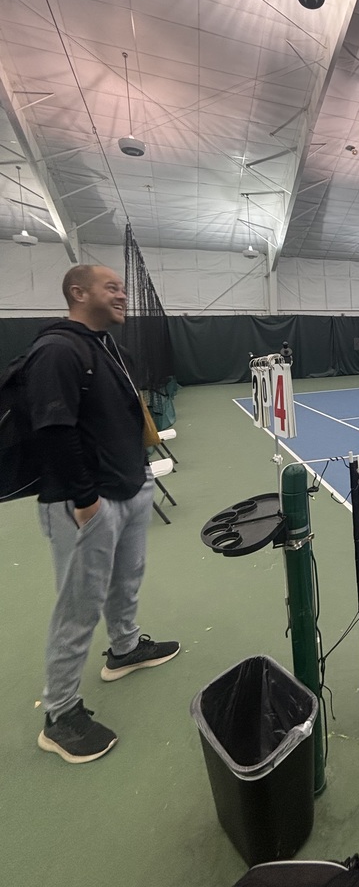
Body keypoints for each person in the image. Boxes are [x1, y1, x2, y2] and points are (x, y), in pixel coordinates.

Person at [24, 264, 179, 764]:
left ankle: (125, 649)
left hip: (131, 487)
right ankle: (61, 714)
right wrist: (87, 501)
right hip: (85, 503)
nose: (123, 295)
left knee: (126, 581)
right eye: (111, 287)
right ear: (77, 292)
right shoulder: (56, 350)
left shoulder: (110, 348)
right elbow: (53, 430)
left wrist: (141, 476)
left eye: (122, 289)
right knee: (79, 607)